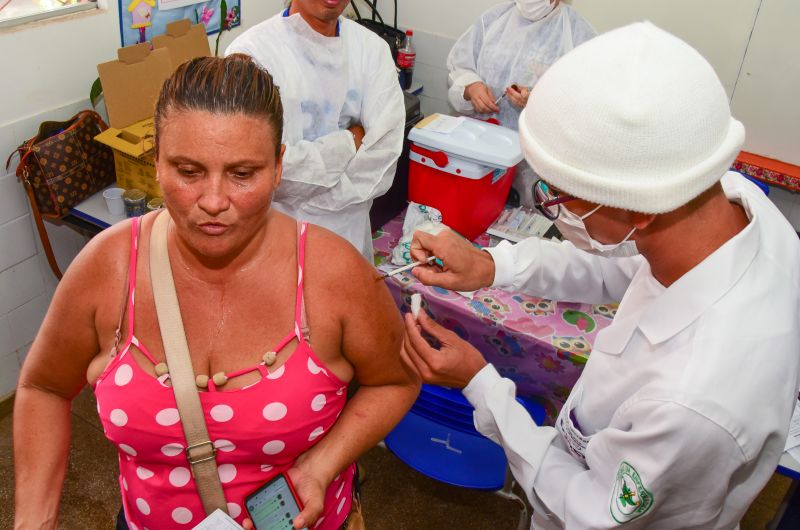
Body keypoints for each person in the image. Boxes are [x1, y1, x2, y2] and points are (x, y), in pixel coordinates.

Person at [402, 22, 800, 529]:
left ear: (641, 209)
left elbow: (589, 509)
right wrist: (493, 265)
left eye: (558, 195)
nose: (553, 210)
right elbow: (626, 262)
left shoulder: (693, 402)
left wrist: (482, 385)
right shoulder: (725, 207)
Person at [14, 54, 419, 530]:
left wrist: (320, 466)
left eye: (243, 174)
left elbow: (395, 380)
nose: (212, 201)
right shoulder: (108, 267)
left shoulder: (334, 275)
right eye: (188, 171)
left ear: (277, 167)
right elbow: (42, 386)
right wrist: (34, 521)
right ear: (156, 162)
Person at [225, 0, 405, 261]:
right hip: (276, 241)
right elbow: (256, 168)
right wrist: (351, 140)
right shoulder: (252, 54)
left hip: (348, 238)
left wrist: (307, 197)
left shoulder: (371, 50)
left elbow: (383, 157)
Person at [447, 0, 596, 209]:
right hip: (478, 160)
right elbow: (460, 67)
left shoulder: (578, 36)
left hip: (536, 177)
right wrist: (471, 87)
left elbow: (587, 107)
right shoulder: (495, 19)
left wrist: (539, 101)